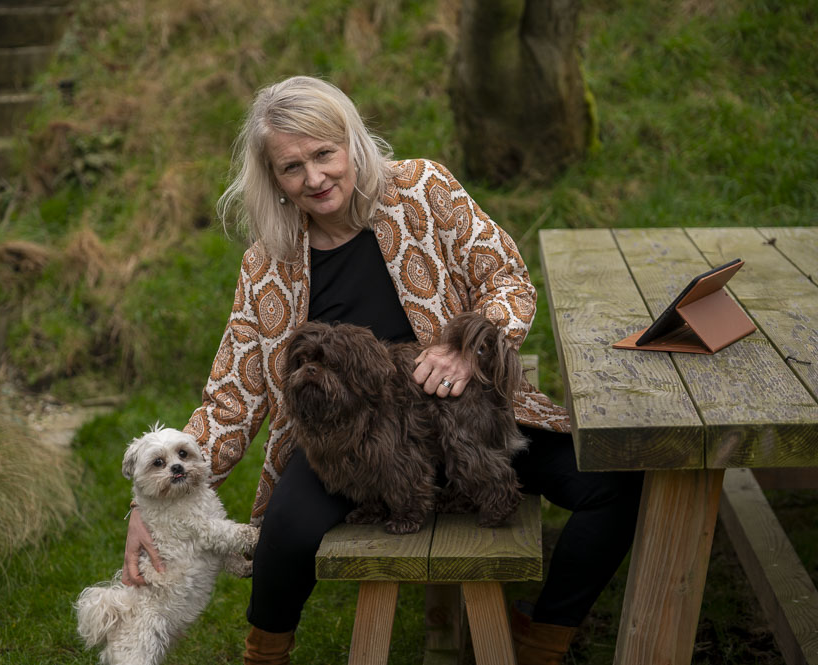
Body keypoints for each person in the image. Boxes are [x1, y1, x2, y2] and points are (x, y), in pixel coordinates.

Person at [122, 75, 643, 665]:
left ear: (352, 144)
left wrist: (464, 347)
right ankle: (264, 654)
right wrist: (150, 504)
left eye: (325, 154)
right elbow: (231, 399)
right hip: (344, 445)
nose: (315, 178)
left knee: (616, 486)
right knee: (286, 537)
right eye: (292, 167)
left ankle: (544, 636)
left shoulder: (424, 190)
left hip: (465, 416)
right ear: (274, 180)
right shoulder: (269, 263)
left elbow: (509, 281)